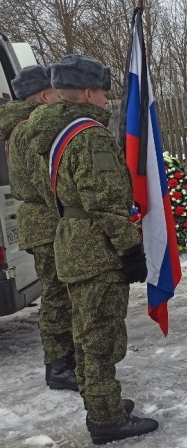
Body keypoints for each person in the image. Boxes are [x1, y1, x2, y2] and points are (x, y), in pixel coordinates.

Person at [26, 55, 158, 444]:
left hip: (71, 239)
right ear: (88, 92)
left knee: (86, 331)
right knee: (100, 336)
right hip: (96, 248)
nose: (106, 98)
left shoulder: (49, 132)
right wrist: (130, 248)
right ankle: (105, 418)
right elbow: (104, 201)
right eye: (102, 91)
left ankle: (102, 400)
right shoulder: (89, 135)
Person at [0, 65, 77, 391]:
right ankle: (59, 366)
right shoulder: (30, 130)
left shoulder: (18, 128)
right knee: (58, 296)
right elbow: (46, 183)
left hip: (40, 220)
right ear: (44, 96)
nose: (59, 99)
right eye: (55, 94)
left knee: (57, 294)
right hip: (46, 220)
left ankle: (62, 361)